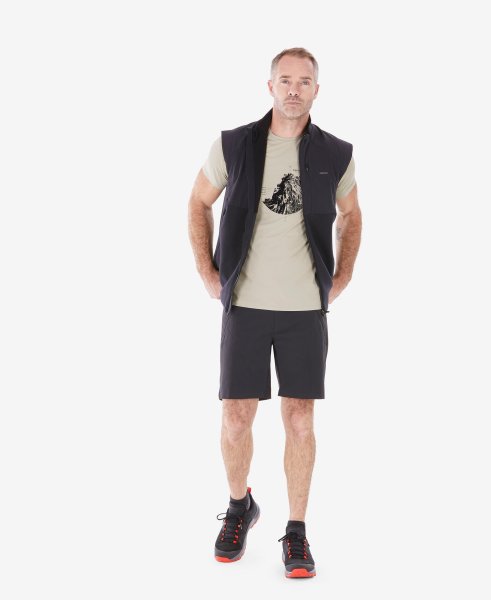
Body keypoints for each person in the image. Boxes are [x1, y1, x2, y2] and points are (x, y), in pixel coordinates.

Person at [187, 47, 362, 579]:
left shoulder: (336, 153)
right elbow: (198, 202)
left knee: (300, 420)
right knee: (236, 417)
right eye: (284, 80)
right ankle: (239, 506)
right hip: (244, 304)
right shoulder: (234, 144)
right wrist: (208, 272)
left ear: (316, 90)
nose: (293, 89)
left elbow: (351, 214)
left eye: (304, 82)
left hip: (305, 309)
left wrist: (342, 277)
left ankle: (297, 530)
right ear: (270, 87)